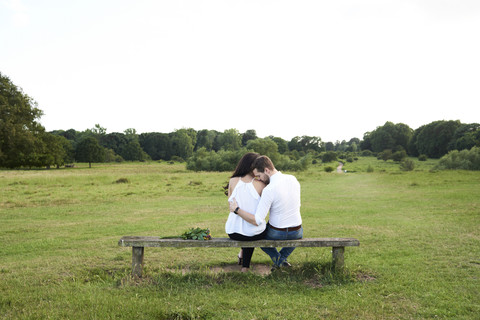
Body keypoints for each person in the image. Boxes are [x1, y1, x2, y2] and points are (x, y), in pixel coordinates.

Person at [229, 155, 302, 270]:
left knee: (259, 236)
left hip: (277, 233)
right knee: (290, 236)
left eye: (259, 176)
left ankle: (279, 261)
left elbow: (257, 220)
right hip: (297, 231)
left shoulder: (269, 189)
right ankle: (282, 261)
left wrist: (237, 210)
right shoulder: (293, 179)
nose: (259, 179)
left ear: (266, 170)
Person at [225, 152, 267, 272]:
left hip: (233, 231)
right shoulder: (261, 184)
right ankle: (245, 267)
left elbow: (230, 205)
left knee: (246, 229)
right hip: (254, 233)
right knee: (253, 230)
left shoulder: (233, 181)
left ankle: (243, 257)